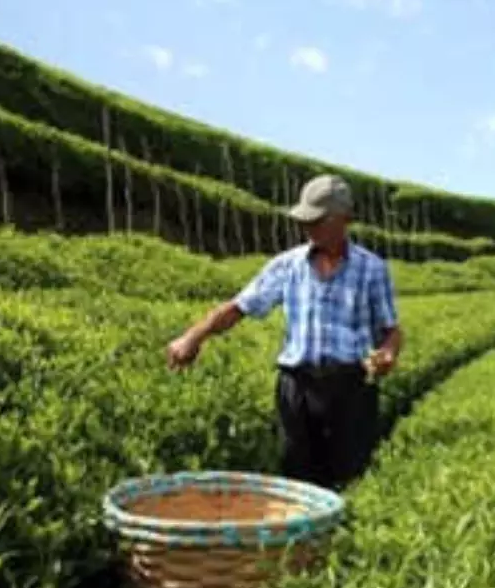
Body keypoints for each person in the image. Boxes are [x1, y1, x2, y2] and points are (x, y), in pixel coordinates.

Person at [165, 174, 404, 492]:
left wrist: (387, 353)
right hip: (297, 387)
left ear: (344, 219)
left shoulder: (372, 269)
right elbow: (239, 307)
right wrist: (194, 336)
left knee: (349, 479)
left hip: (351, 389)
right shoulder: (287, 265)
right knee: (297, 484)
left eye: (317, 221)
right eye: (306, 221)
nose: (308, 228)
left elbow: (391, 330)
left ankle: (342, 541)